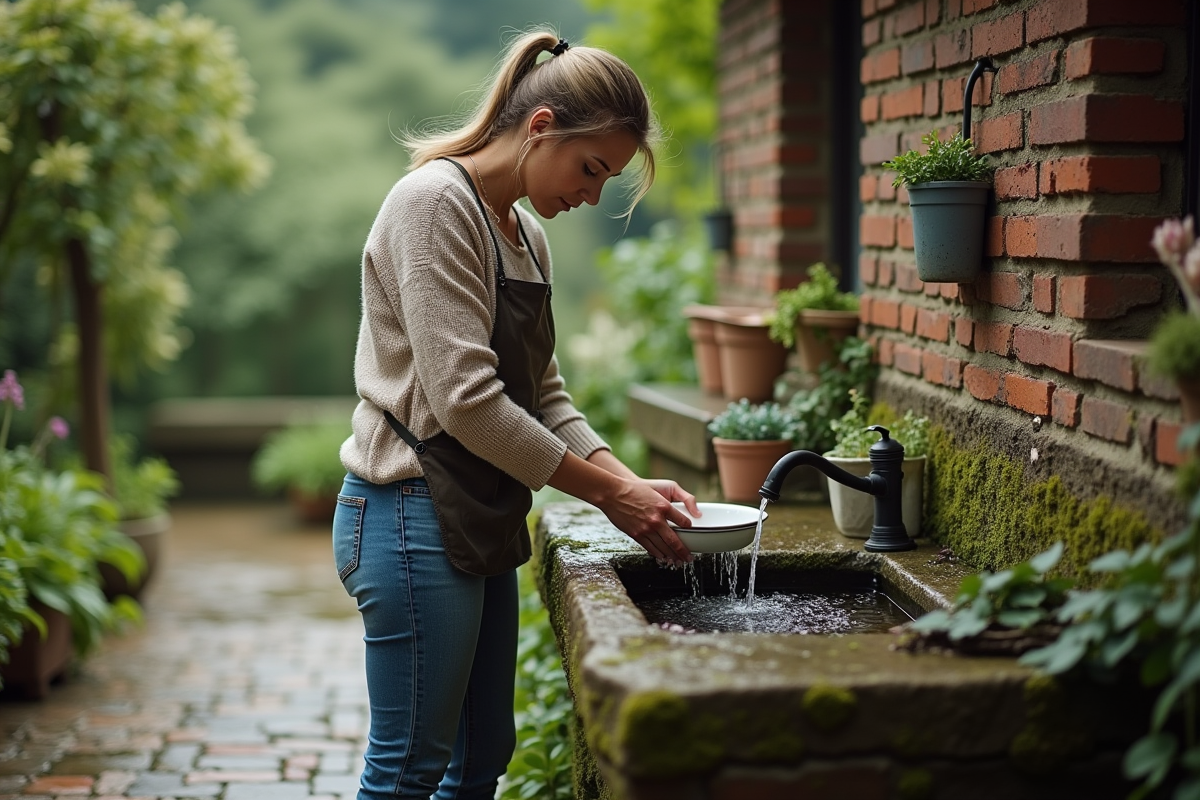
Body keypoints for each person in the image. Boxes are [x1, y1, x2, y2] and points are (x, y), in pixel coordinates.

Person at [332, 29, 700, 800]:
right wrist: (609, 496)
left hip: (480, 511)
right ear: (540, 127)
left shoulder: (523, 233)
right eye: (590, 168)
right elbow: (467, 403)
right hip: (408, 512)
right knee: (408, 767)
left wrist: (629, 484)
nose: (592, 195)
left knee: (480, 762)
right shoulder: (435, 205)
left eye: (607, 179)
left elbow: (544, 393)